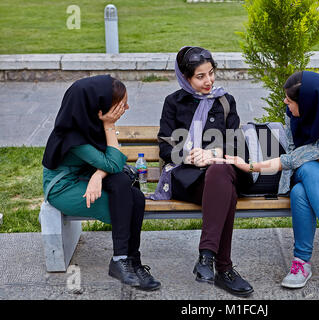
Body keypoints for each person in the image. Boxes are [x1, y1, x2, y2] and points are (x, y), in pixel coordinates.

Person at [224, 70, 319, 289]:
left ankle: (303, 261)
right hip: (308, 173)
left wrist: (251, 166)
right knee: (306, 175)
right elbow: (297, 154)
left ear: (308, 104)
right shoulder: (292, 115)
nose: (285, 102)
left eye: (290, 99)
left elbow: (298, 157)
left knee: (304, 177)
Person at [42, 75, 161, 291]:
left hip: (85, 176)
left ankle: (130, 260)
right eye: (121, 103)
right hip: (63, 187)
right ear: (100, 107)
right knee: (128, 203)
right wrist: (109, 125)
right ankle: (123, 259)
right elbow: (113, 163)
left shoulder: (88, 123)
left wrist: (98, 175)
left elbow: (110, 164)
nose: (127, 106)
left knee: (134, 196)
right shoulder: (73, 136)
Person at [152, 46, 253, 297]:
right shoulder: (173, 103)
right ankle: (224, 268)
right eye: (200, 76)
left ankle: (206, 257)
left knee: (220, 174)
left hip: (223, 174)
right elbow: (166, 147)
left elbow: (238, 144)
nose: (208, 81)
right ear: (185, 78)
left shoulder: (225, 101)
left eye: (211, 73)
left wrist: (214, 154)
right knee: (224, 190)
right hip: (189, 181)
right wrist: (191, 157)